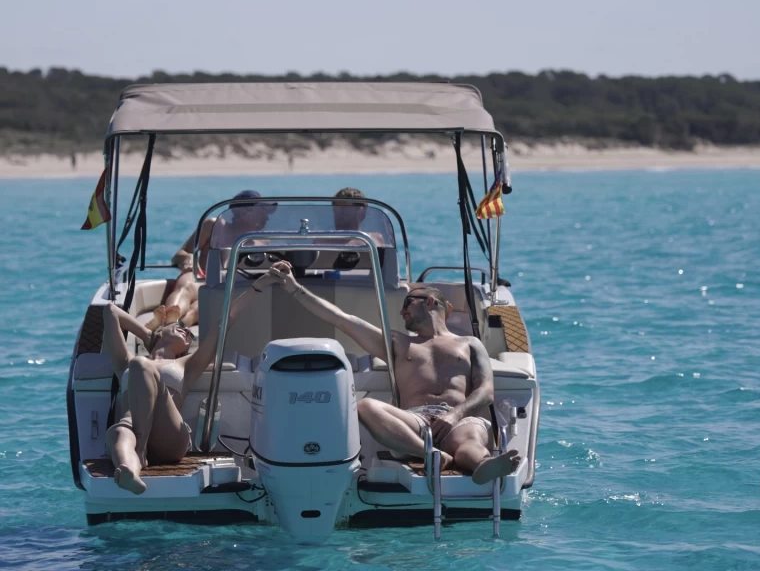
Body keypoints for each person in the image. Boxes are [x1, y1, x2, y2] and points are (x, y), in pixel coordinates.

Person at [261, 261, 521, 484]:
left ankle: (484, 464)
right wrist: (293, 288)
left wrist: (454, 415)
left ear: (430, 301)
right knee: (365, 406)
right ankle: (431, 455)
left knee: (470, 442)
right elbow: (341, 319)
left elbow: (486, 391)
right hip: (415, 421)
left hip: (460, 418)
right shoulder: (397, 342)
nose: (402, 310)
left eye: (407, 303)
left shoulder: (470, 343)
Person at [103, 271, 276, 495]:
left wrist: (259, 284)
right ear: (159, 330)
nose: (186, 330)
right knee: (119, 432)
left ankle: (140, 447)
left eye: (189, 335)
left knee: (140, 366)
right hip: (132, 433)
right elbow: (110, 311)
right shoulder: (124, 362)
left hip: (170, 439)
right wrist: (147, 333)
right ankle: (130, 470)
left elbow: (225, 320)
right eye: (179, 326)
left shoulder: (187, 364)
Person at [147, 190, 276, 330]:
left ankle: (170, 329)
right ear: (243, 212)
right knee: (187, 284)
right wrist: (188, 258)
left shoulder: (261, 241)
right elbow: (180, 254)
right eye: (262, 212)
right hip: (200, 279)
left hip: (226, 289)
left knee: (202, 305)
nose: (266, 218)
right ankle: (168, 322)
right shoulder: (214, 226)